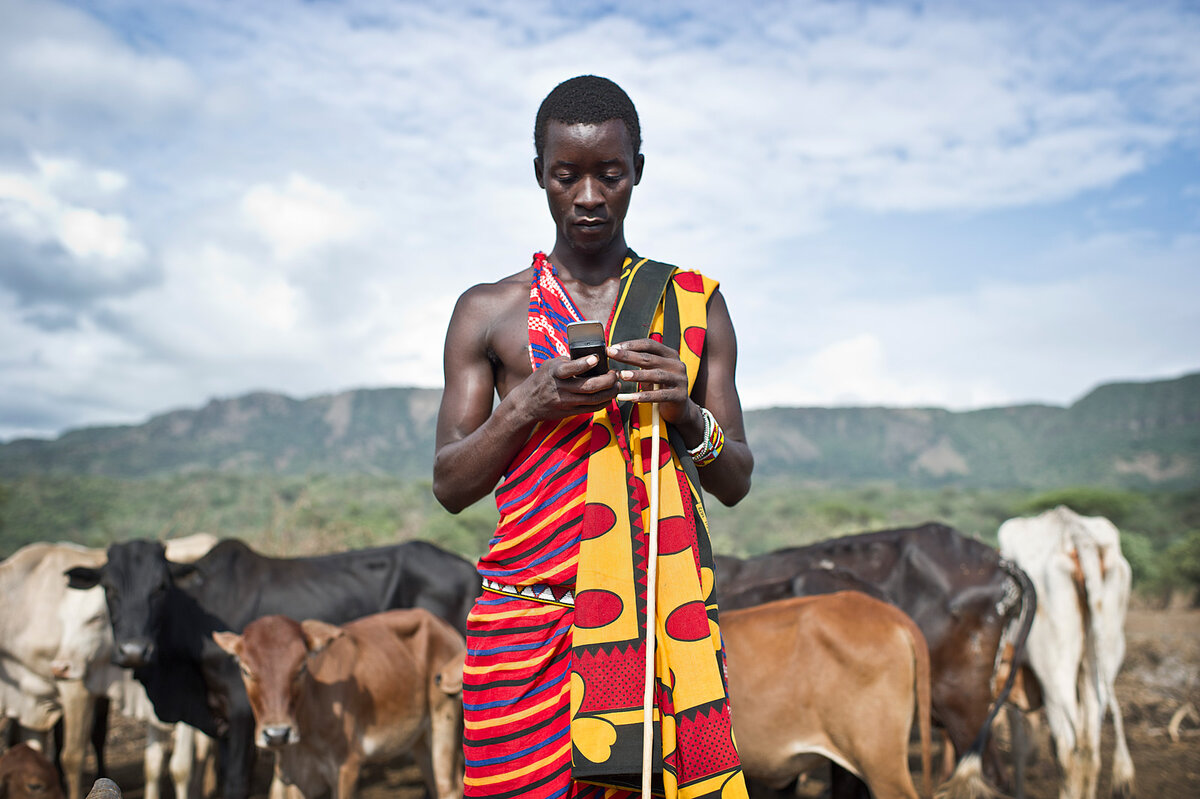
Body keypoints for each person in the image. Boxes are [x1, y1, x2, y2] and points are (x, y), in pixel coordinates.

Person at [434, 75, 753, 799]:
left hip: (652, 636)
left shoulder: (691, 304)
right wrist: (528, 405)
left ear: (637, 169)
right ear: (539, 174)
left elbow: (735, 477)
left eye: (609, 174)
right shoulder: (487, 312)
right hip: (524, 630)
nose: (587, 196)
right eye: (565, 175)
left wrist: (686, 413)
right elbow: (450, 483)